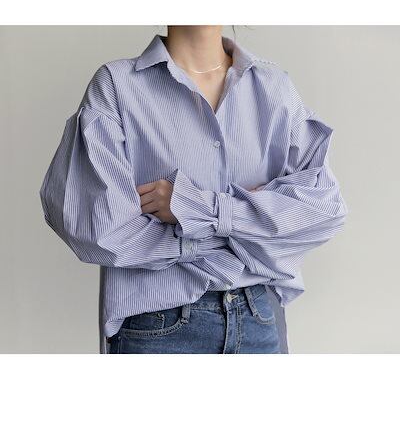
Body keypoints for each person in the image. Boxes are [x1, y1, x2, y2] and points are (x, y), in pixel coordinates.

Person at [39, 25, 348, 354]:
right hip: (158, 326)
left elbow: (324, 209)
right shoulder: (117, 86)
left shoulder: (274, 87)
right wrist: (254, 226)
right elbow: (97, 228)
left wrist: (195, 209)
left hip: (257, 315)